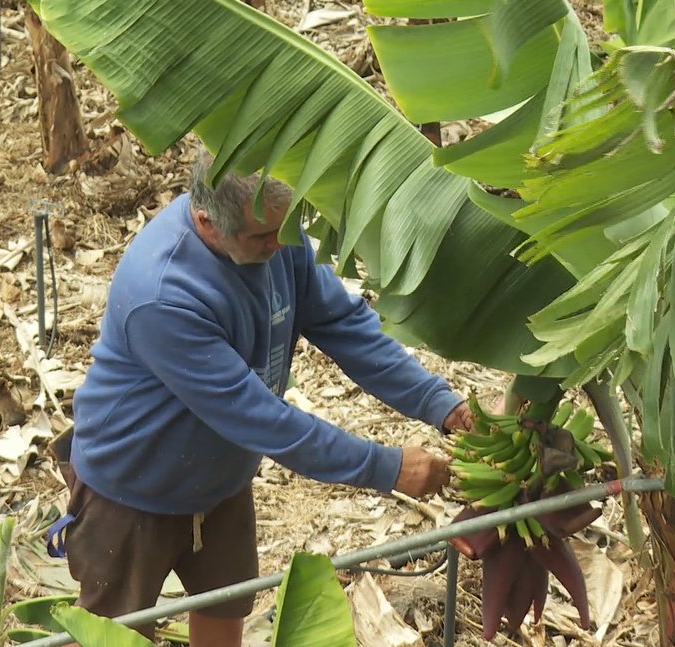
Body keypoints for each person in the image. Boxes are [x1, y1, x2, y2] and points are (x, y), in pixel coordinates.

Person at [52, 146, 474, 646]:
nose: (282, 243)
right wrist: (389, 467)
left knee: (224, 612)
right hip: (131, 490)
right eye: (262, 236)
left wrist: (440, 404)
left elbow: (344, 325)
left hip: (220, 480)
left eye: (287, 227)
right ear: (207, 221)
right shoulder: (164, 293)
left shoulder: (279, 233)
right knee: (112, 636)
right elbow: (264, 420)